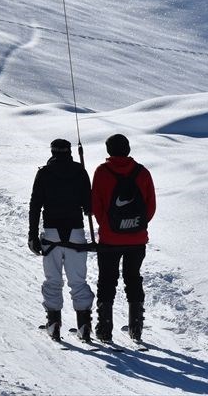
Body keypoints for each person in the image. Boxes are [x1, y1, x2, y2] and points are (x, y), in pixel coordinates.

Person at [91, 133, 156, 344]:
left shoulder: (102, 172)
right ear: (128, 149)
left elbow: (96, 205)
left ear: (109, 150)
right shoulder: (142, 172)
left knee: (107, 280)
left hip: (109, 239)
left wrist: (108, 226)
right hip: (137, 239)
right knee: (133, 278)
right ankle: (136, 328)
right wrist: (137, 225)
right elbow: (150, 205)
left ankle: (104, 328)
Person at [28, 138, 95, 342]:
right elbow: (89, 206)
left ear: (52, 152)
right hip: (75, 231)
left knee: (53, 279)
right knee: (78, 280)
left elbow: (35, 205)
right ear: (70, 152)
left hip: (51, 232)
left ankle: (54, 322)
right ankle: (84, 325)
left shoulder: (44, 173)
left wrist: (32, 234)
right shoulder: (80, 171)